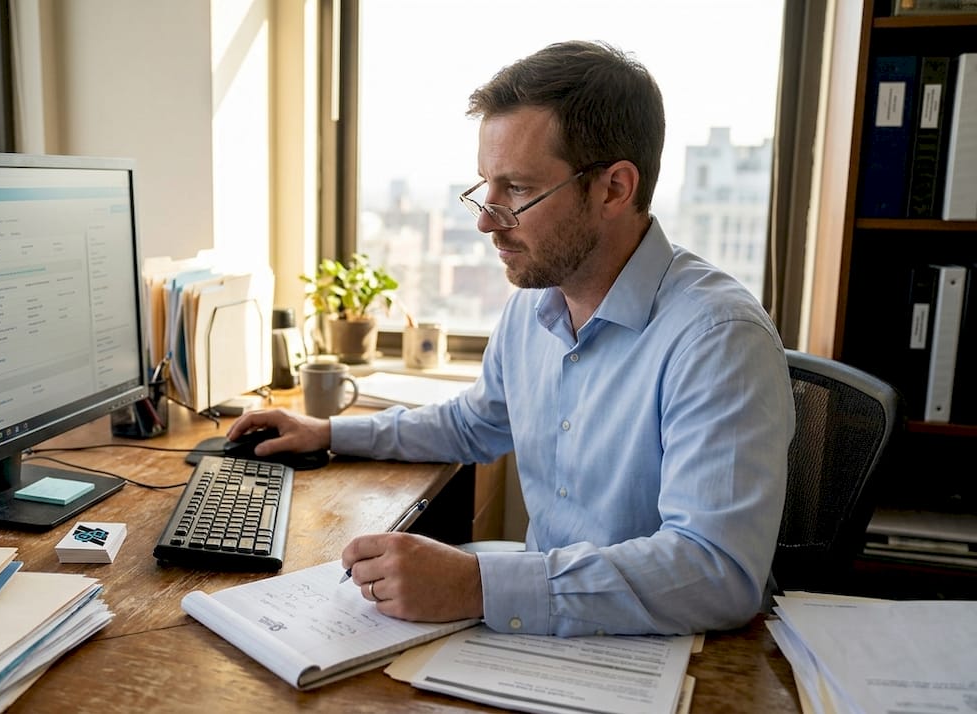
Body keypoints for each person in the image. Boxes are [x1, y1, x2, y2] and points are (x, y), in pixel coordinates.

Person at [227, 40, 794, 637]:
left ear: (613, 188)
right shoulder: (534, 305)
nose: (484, 219)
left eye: (517, 189)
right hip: (548, 635)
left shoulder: (718, 338)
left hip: (680, 653)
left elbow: (715, 571)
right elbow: (474, 423)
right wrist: (328, 433)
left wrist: (476, 585)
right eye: (485, 185)